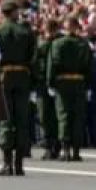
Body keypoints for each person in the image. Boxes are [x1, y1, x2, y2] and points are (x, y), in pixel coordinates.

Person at [0, 0, 36, 177]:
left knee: (5, 119)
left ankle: (6, 164)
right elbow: (33, 57)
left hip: (4, 76)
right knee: (21, 119)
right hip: (22, 76)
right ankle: (19, 164)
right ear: (13, 12)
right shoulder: (26, 32)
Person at [47, 16, 92, 162]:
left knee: (64, 115)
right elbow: (89, 67)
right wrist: (88, 86)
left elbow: (52, 65)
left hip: (63, 83)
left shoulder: (57, 44)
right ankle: (76, 151)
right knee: (78, 117)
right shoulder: (83, 44)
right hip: (79, 83)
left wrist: (50, 84)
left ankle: (65, 150)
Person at [34, 18, 61, 160]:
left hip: (54, 83)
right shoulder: (42, 44)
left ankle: (55, 145)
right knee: (44, 115)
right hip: (42, 83)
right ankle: (49, 145)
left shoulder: (55, 43)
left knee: (53, 115)